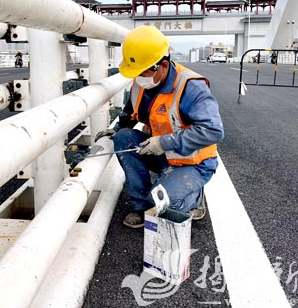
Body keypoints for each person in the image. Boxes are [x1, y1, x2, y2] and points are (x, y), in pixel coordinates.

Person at [95, 26, 224, 228]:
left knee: (162, 205)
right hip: (163, 154)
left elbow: (213, 130)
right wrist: (119, 127)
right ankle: (140, 206)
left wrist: (164, 142)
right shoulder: (142, 83)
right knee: (123, 137)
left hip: (193, 162)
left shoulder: (191, 87)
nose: (137, 78)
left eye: (142, 72)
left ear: (162, 65)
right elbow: (132, 110)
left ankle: (194, 197)